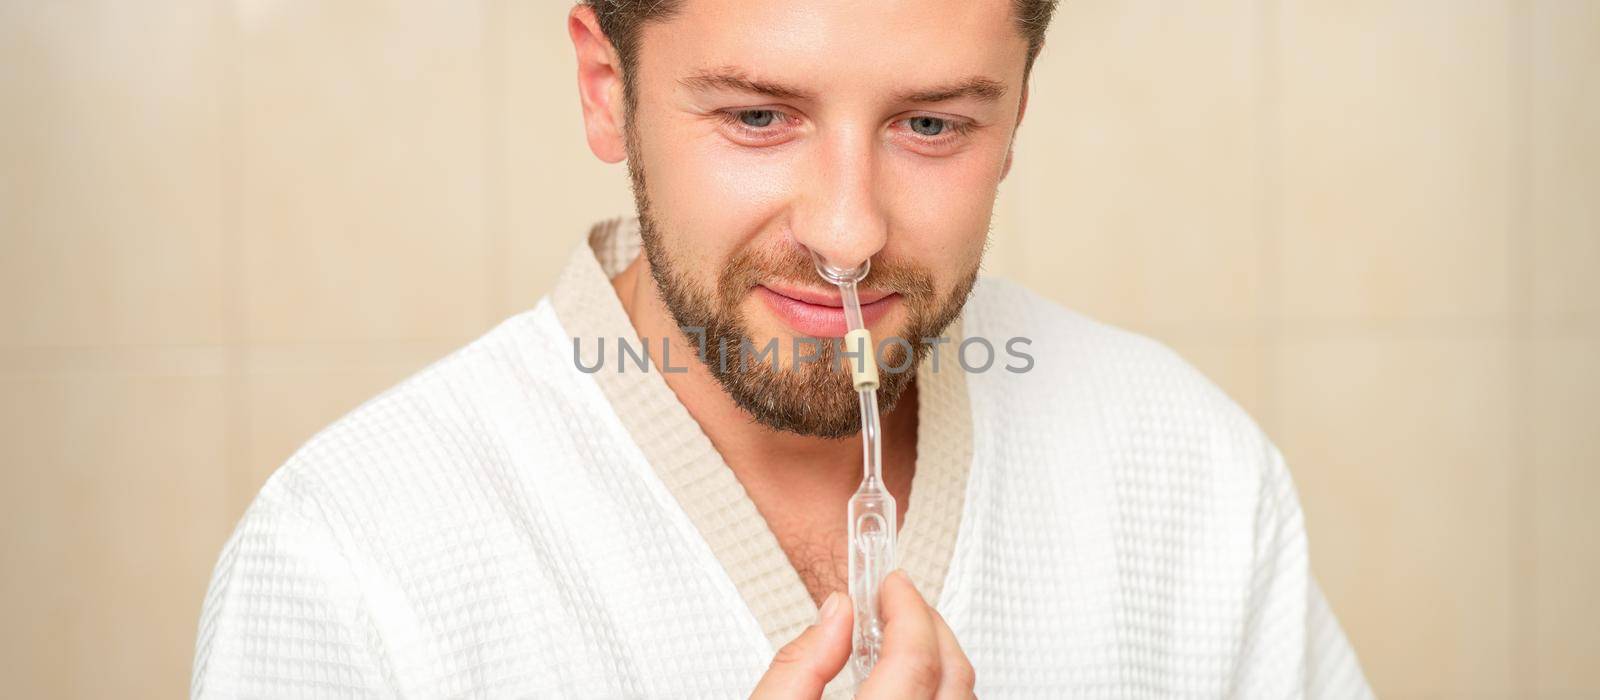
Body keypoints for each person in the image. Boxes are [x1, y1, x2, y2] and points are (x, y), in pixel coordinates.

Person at [192, 1, 1372, 697]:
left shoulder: (1190, 476)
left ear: (1016, 110)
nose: (848, 233)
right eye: (758, 116)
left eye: (931, 125)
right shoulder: (349, 563)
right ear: (608, 89)